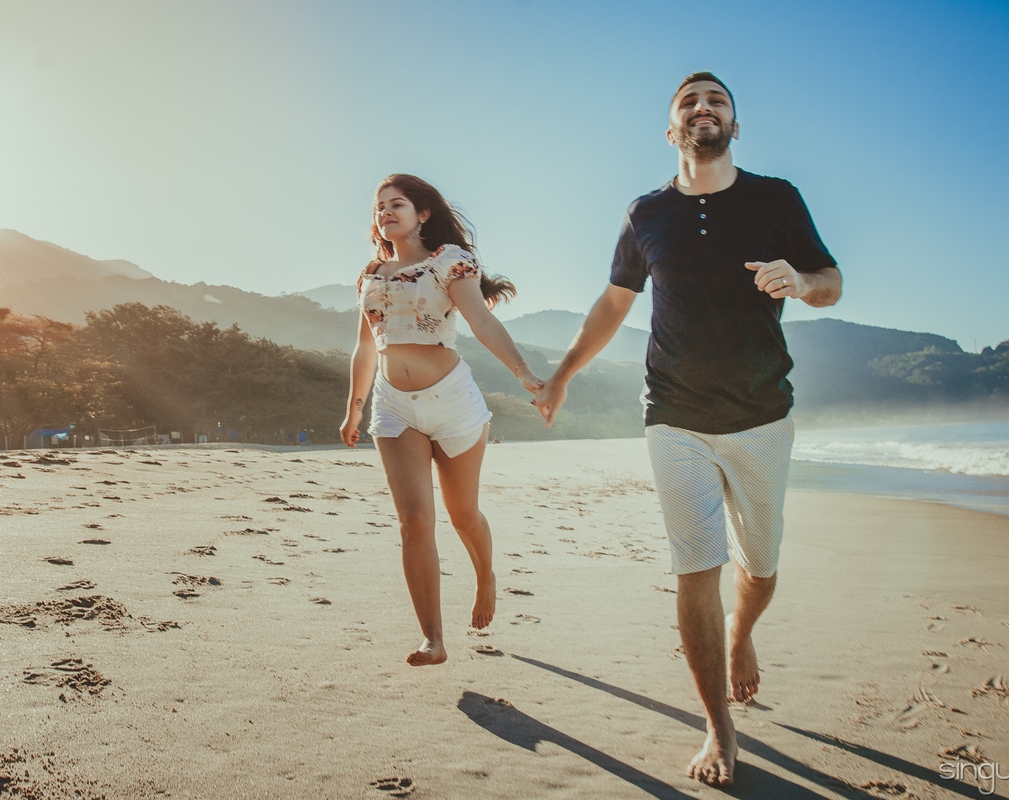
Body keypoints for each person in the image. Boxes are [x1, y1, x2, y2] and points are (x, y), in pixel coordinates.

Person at [533, 73, 842, 786]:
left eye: (719, 102)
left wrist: (800, 280)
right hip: (673, 416)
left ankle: (743, 634)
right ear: (671, 128)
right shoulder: (646, 213)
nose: (705, 109)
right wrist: (563, 375)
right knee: (696, 567)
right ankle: (718, 729)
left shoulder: (777, 198)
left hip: (763, 414)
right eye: (690, 103)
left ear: (736, 124)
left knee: (759, 568)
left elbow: (832, 280)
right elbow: (613, 305)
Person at [341, 174, 544, 667]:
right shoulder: (372, 273)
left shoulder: (450, 261)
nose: (387, 212)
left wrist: (523, 373)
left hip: (452, 401)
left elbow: (480, 319)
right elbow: (368, 344)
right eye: (380, 207)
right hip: (394, 408)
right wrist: (354, 405)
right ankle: (433, 638)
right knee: (414, 522)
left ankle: (486, 576)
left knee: (463, 515)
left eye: (398, 204)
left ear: (422, 213)